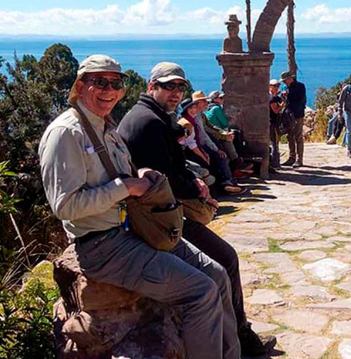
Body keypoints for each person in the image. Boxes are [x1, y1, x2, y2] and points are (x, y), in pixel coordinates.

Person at [39, 55, 240, 359]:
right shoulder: (68, 133)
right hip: (103, 245)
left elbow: (114, 175)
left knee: (217, 274)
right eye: (99, 82)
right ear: (81, 86)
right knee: (201, 292)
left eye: (115, 83)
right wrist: (125, 187)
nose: (109, 89)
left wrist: (137, 175)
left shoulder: (104, 126)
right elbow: (65, 205)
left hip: (133, 229)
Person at [117, 62, 274, 356]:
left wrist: (194, 182)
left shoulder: (154, 117)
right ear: (151, 87)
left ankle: (240, 336)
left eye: (180, 87)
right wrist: (197, 190)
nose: (175, 93)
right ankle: (242, 339)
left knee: (224, 258)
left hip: (160, 211)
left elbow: (172, 167)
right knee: (226, 259)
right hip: (157, 219)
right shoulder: (149, 122)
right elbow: (162, 180)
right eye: (168, 86)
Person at [180, 93, 244, 195]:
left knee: (222, 151)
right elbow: (201, 136)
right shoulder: (190, 121)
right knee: (218, 157)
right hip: (192, 149)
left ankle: (230, 178)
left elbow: (211, 127)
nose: (207, 103)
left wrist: (223, 134)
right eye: (204, 101)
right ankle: (226, 182)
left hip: (198, 146)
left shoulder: (200, 116)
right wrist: (213, 149)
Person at [204, 90, 252, 176]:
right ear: (215, 99)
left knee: (232, 136)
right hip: (215, 135)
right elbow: (225, 123)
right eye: (221, 98)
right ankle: (238, 161)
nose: (223, 100)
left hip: (213, 134)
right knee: (233, 137)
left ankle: (238, 163)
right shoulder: (216, 108)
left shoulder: (207, 109)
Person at [280, 70, 306, 168]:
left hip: (297, 114)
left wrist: (288, 95)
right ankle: (291, 157)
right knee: (289, 136)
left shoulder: (300, 86)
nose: (284, 83)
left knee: (298, 136)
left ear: (290, 79)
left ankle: (300, 159)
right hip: (288, 114)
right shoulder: (285, 87)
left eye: (285, 80)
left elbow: (299, 100)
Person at [268, 79, 284, 171]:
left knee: (275, 141)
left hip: (273, 121)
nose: (277, 87)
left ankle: (274, 162)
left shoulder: (274, 96)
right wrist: (282, 105)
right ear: (270, 86)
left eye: (278, 85)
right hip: (272, 122)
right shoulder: (271, 98)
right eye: (275, 86)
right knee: (274, 142)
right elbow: (275, 110)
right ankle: (275, 163)